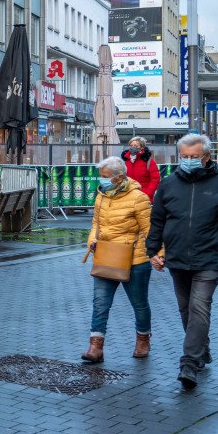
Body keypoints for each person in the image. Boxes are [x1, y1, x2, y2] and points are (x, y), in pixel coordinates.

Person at [146, 133, 218, 390]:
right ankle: (202, 348)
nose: (189, 161)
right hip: (177, 258)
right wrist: (153, 251)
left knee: (199, 308)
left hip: (210, 258)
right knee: (186, 310)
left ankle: (189, 364)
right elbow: (158, 220)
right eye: (185, 157)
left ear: (206, 157)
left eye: (194, 157)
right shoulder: (169, 184)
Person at [81, 156, 153, 364]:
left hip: (134, 258)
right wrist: (92, 240)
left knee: (139, 304)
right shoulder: (101, 196)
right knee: (100, 303)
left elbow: (149, 229)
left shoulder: (138, 198)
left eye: (105, 177)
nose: (101, 181)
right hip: (106, 255)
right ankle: (95, 347)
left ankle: (143, 340)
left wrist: (157, 254)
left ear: (119, 177)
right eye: (100, 176)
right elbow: (96, 223)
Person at [121, 136, 160, 201]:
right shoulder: (126, 161)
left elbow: (155, 179)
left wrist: (147, 194)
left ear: (142, 147)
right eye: (131, 145)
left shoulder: (149, 161)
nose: (133, 147)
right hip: (128, 198)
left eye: (136, 145)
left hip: (144, 198)